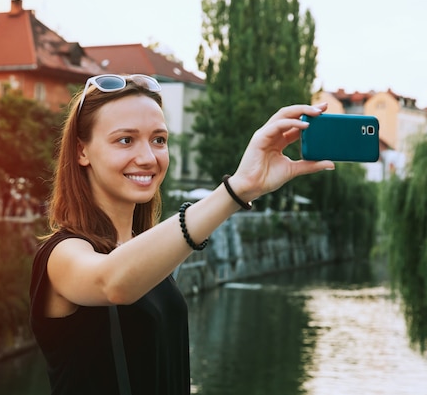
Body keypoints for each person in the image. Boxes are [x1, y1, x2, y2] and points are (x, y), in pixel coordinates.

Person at [29, 74, 334, 395]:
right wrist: (238, 189)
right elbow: (112, 283)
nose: (148, 157)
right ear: (82, 152)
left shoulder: (142, 249)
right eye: (125, 140)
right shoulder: (63, 255)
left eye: (158, 139)